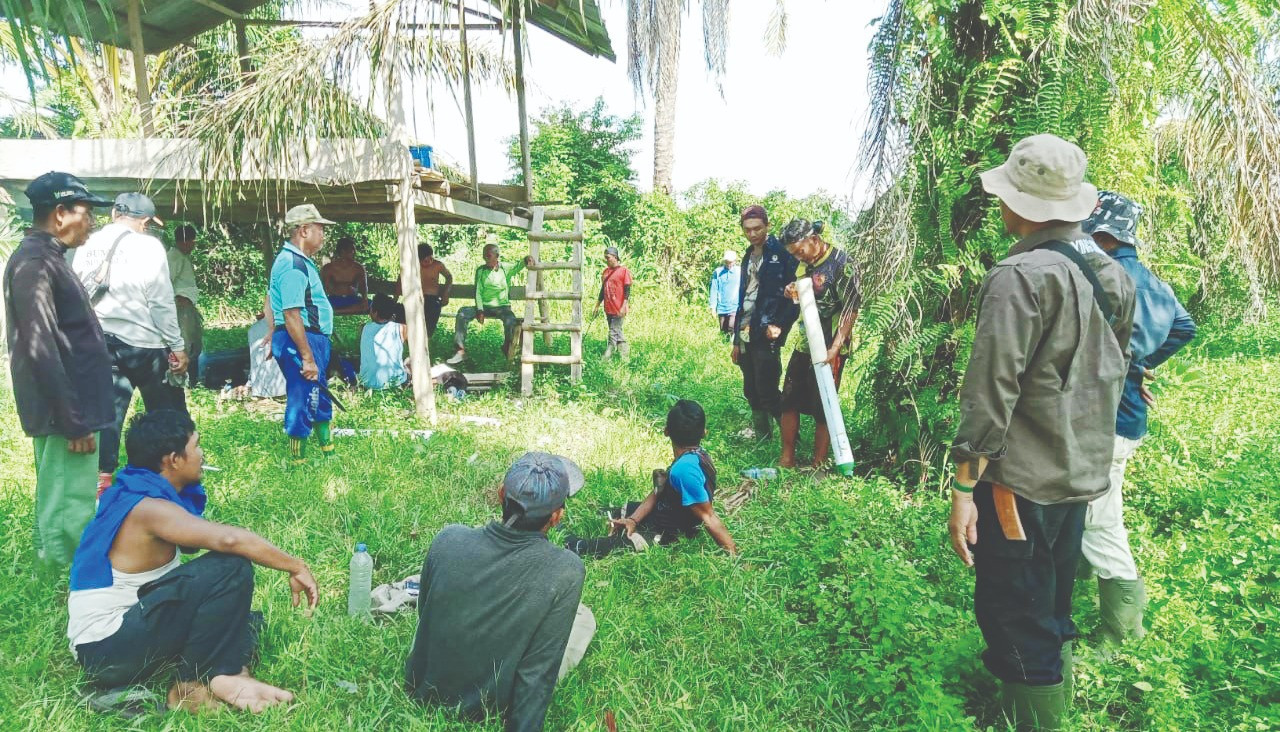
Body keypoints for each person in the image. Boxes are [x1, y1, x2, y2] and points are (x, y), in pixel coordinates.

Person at [948, 134, 1136, 731]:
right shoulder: (1111, 273)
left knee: (1014, 609)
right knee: (1052, 597)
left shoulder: (1019, 276)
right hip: (1081, 473)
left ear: (1020, 207)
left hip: (1018, 482)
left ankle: (1031, 718)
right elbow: (1115, 368)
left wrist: (961, 488)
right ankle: (1047, 692)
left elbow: (989, 393)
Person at [68, 410, 319, 714]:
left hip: (113, 642)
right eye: (196, 446)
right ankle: (190, 687)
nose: (201, 454)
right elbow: (230, 540)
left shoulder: (136, 489)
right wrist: (296, 566)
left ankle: (227, 674)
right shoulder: (150, 508)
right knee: (230, 568)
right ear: (173, 459)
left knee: (241, 619)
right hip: (107, 650)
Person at [1080, 191, 1197, 649]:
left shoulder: (1105, 277)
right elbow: (1185, 327)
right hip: (1126, 416)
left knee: (1100, 520)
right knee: (1089, 511)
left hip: (1104, 420)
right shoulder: (1153, 283)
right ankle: (1078, 598)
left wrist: (1131, 363)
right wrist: (1144, 363)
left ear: (1102, 233)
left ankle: (1121, 633)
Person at [405, 452, 595, 731]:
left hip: (423, 684)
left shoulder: (449, 538)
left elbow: (427, 612)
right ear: (556, 516)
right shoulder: (566, 570)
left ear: (500, 494)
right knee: (584, 619)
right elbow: (538, 671)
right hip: (490, 704)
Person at [4, 172, 115, 567]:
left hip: (73, 408)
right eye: (87, 213)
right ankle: (67, 588)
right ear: (61, 213)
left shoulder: (47, 258)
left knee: (63, 496)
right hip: (67, 414)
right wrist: (73, 420)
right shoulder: (35, 263)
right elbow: (40, 348)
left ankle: (56, 575)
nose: (92, 222)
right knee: (70, 506)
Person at [72, 192, 188, 493]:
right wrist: (177, 345)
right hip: (144, 344)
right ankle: (169, 478)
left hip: (99, 343)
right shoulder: (149, 245)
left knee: (108, 414)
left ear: (114, 213)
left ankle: (102, 483)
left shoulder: (89, 243)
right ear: (145, 221)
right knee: (164, 414)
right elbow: (160, 301)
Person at [565, 399, 737, 558]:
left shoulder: (684, 470)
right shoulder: (693, 456)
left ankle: (575, 545)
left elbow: (708, 517)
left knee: (609, 545)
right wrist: (633, 520)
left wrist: (733, 555)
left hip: (669, 531)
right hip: (663, 512)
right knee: (606, 513)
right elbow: (658, 493)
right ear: (704, 433)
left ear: (666, 431)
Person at [777, 220, 862, 470]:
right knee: (789, 399)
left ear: (813, 240)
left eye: (799, 251)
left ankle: (819, 464)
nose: (797, 257)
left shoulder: (843, 265)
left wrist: (835, 347)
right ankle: (787, 458)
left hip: (830, 346)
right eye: (792, 253)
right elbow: (806, 293)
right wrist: (792, 291)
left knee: (824, 403)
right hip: (805, 342)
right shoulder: (805, 263)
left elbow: (851, 310)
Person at [269, 204, 338, 464]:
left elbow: (269, 298)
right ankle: (297, 462)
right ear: (304, 230)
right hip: (302, 339)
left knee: (317, 393)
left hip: (309, 338)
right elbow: (291, 314)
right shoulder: (293, 265)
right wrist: (307, 357)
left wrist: (270, 332)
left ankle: (327, 451)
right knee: (303, 396)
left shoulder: (297, 261)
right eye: (320, 229)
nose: (323, 235)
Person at [731, 205, 799, 439]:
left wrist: (780, 324)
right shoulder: (747, 256)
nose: (752, 234)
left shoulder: (782, 254)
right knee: (750, 389)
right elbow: (743, 296)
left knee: (768, 389)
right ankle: (763, 436)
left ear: (767, 226)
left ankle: (791, 440)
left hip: (767, 330)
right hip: (745, 330)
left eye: (757, 228)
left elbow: (796, 297)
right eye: (747, 230)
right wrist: (735, 340)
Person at [447, 242, 534, 365]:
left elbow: (518, 265)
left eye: (488, 256)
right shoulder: (481, 271)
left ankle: (507, 347)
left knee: (511, 321)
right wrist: (480, 310)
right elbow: (478, 291)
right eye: (484, 256)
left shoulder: (505, 268)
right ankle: (460, 351)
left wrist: (526, 259)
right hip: (484, 307)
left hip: (502, 307)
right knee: (462, 313)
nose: (485, 259)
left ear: (496, 256)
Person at [168, 224, 203, 378]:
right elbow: (166, 283)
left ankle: (190, 377)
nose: (194, 246)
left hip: (187, 306)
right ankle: (183, 377)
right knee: (185, 343)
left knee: (194, 342)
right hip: (180, 308)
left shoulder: (181, 256)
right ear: (185, 241)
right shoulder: (174, 257)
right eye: (192, 242)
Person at [360, 294, 409, 390]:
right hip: (395, 383)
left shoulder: (364, 328)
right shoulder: (402, 328)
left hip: (367, 383)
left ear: (375, 313)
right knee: (408, 364)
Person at [591, 246, 633, 360]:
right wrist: (597, 305)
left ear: (615, 257)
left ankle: (606, 358)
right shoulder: (605, 272)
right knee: (617, 333)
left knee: (613, 334)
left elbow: (627, 291)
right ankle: (625, 357)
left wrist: (624, 306)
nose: (606, 260)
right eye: (605, 258)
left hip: (619, 309)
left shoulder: (624, 271)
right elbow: (602, 290)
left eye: (608, 257)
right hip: (608, 308)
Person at [321, 236, 370, 315]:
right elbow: (323, 290)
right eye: (352, 250)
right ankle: (337, 310)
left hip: (353, 300)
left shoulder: (359, 268)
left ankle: (336, 311)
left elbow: (364, 288)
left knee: (372, 306)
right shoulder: (328, 269)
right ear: (343, 251)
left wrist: (364, 299)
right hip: (334, 300)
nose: (354, 252)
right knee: (321, 306)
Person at [416, 243, 453, 337]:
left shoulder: (438, 265)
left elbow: (449, 277)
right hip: (417, 298)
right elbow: (401, 280)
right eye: (426, 260)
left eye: (431, 258)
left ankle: (426, 338)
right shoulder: (414, 267)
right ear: (418, 260)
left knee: (434, 308)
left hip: (432, 300)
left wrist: (446, 293)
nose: (430, 261)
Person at [709, 249, 740, 336]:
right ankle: (724, 347)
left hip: (735, 306)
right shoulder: (718, 272)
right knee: (723, 331)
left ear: (735, 261)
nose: (729, 264)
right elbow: (714, 290)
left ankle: (733, 346)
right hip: (722, 307)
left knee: (731, 328)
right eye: (727, 262)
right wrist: (713, 308)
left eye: (731, 262)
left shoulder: (739, 272)